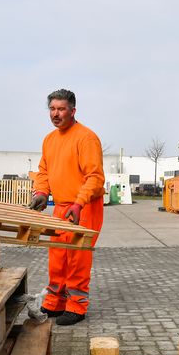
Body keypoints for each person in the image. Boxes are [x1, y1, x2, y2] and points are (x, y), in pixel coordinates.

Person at [29, 89, 105, 326]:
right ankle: (54, 302)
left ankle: (76, 307)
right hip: (62, 207)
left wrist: (79, 203)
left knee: (77, 258)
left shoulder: (86, 138)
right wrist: (41, 193)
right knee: (58, 256)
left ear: (73, 111)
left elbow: (95, 177)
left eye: (61, 109)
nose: (56, 114)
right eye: (52, 109)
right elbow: (43, 172)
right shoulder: (49, 140)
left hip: (85, 206)